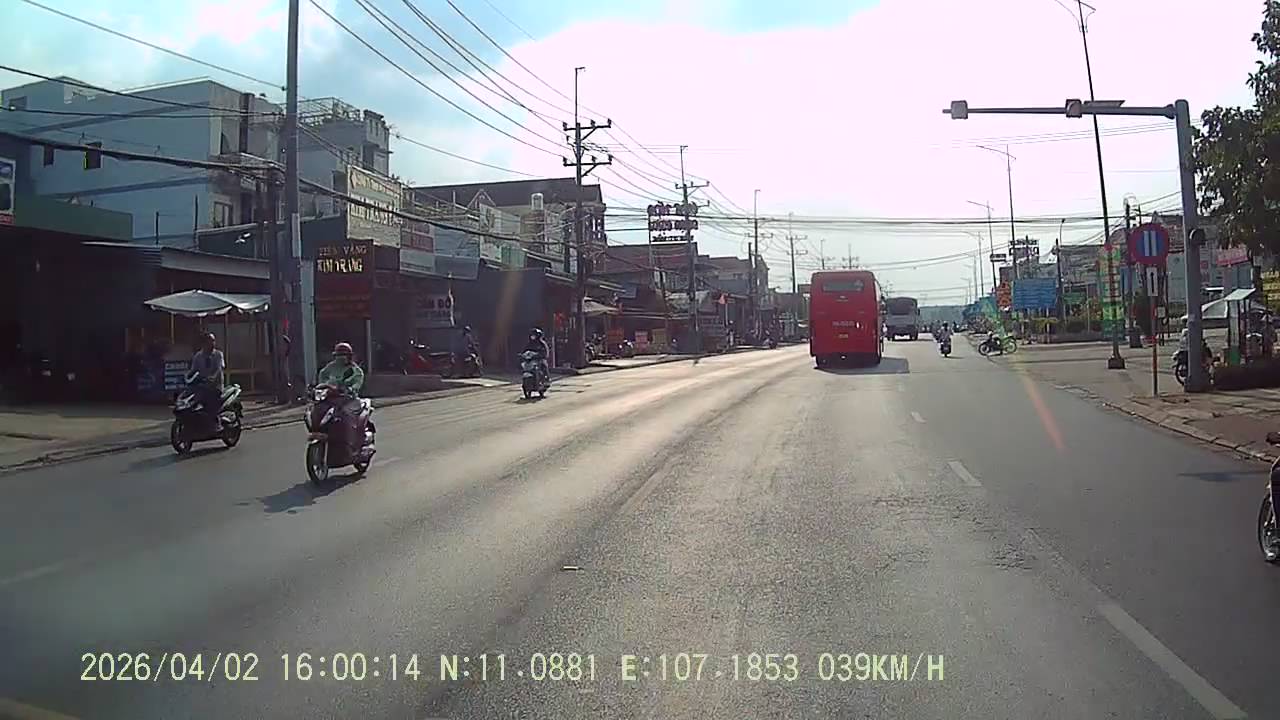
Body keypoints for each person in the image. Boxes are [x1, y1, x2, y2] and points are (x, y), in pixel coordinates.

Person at [317, 342, 366, 448]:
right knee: (318, 408)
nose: (341, 357)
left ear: (349, 356)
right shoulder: (331, 366)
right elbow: (322, 375)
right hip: (331, 397)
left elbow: (357, 383)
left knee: (345, 415)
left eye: (343, 355)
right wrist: (323, 385)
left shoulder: (355, 370)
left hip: (349, 399)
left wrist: (350, 389)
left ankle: (351, 441)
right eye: (338, 355)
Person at [189, 332, 225, 420]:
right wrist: (188, 376)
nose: (212, 343)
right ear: (203, 343)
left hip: (215, 387)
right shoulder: (198, 356)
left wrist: (213, 377)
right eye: (209, 341)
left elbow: (219, 368)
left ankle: (217, 423)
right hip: (202, 387)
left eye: (213, 341)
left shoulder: (218, 354)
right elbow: (193, 370)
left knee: (212, 409)